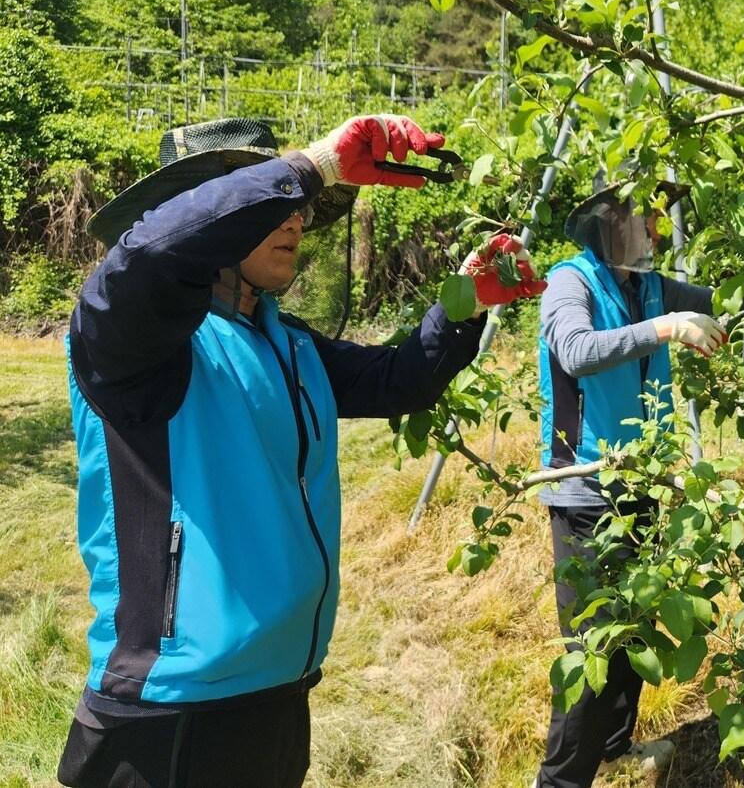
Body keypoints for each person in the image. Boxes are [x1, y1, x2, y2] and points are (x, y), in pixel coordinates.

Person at [58, 115, 546, 788]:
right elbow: (148, 259)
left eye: (300, 209)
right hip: (168, 713)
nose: (295, 220)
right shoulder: (133, 344)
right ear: (204, 220)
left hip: (279, 690)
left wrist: (465, 302)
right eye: (271, 203)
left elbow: (396, 380)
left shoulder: (287, 343)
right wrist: (311, 166)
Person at [532, 179, 727, 788]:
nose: (654, 229)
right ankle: (561, 782)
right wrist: (668, 328)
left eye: (657, 217)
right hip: (584, 484)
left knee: (635, 626)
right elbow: (577, 350)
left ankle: (615, 751)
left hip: (642, 479)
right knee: (591, 652)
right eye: (642, 217)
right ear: (607, 222)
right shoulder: (573, 280)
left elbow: (730, 302)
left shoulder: (649, 286)